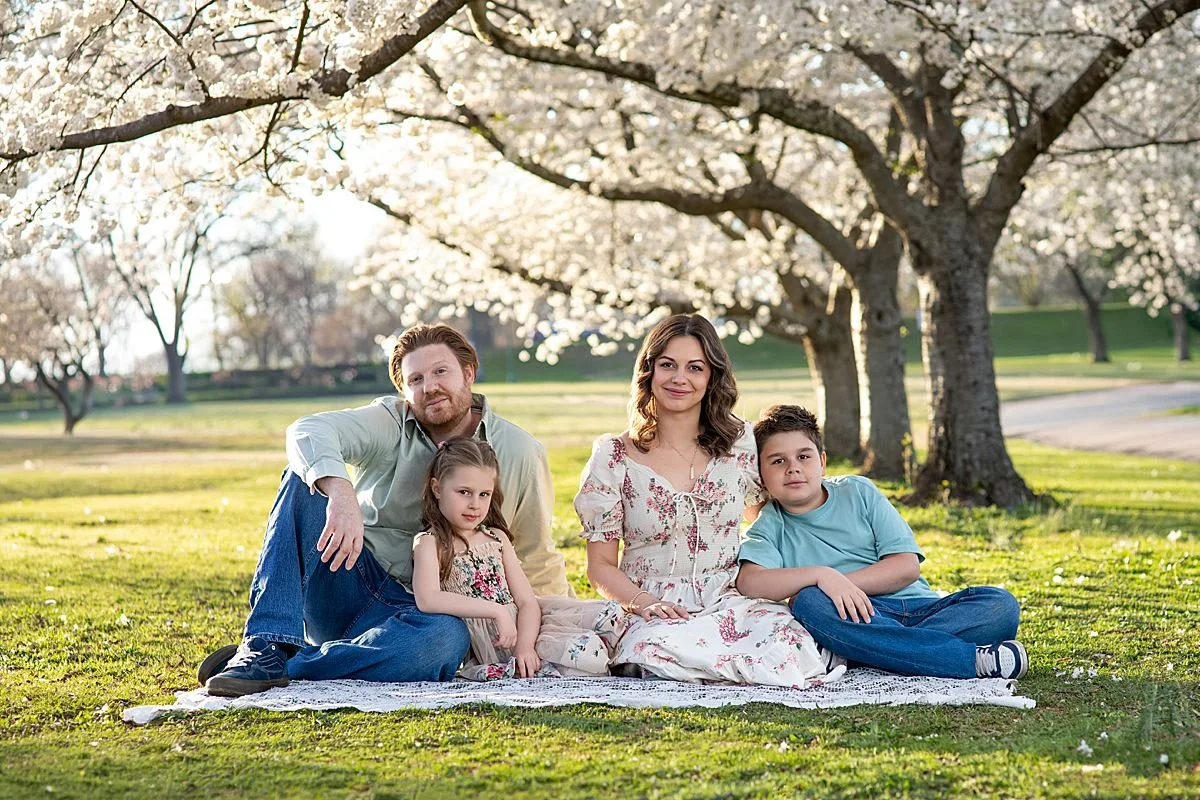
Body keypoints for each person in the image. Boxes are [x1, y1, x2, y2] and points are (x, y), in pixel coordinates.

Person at [200, 323, 569, 697]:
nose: (430, 387)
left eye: (441, 371)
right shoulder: (390, 422)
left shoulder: (518, 451)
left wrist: (550, 633)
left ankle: (293, 664)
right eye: (416, 379)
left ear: (468, 373)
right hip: (346, 577)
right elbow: (306, 430)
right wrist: (341, 492)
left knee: (445, 640)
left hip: (420, 612)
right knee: (302, 477)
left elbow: (534, 553)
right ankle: (264, 646)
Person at [574, 314, 839, 686]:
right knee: (657, 649)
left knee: (789, 641)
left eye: (694, 368)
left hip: (728, 597)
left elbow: (771, 518)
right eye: (667, 365)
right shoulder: (614, 457)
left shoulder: (740, 446)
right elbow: (600, 567)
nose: (679, 378)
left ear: (711, 377)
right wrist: (644, 603)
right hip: (652, 604)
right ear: (648, 372)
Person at [736, 405, 1028, 680]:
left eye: (804, 456)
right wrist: (823, 577)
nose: (793, 468)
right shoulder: (770, 525)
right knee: (809, 602)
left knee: (1000, 605)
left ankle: (860, 652)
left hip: (919, 608)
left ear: (822, 462)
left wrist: (842, 585)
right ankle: (968, 660)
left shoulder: (858, 491)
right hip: (850, 616)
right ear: (761, 475)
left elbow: (905, 567)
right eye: (778, 461)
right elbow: (750, 582)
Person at [412, 437, 624, 680]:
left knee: (602, 628)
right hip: (490, 641)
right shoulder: (430, 543)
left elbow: (527, 602)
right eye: (464, 492)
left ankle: (633, 655)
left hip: (525, 630)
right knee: (583, 661)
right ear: (437, 488)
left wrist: (525, 646)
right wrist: (496, 611)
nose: (475, 504)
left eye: (484, 494)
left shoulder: (496, 538)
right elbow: (428, 599)